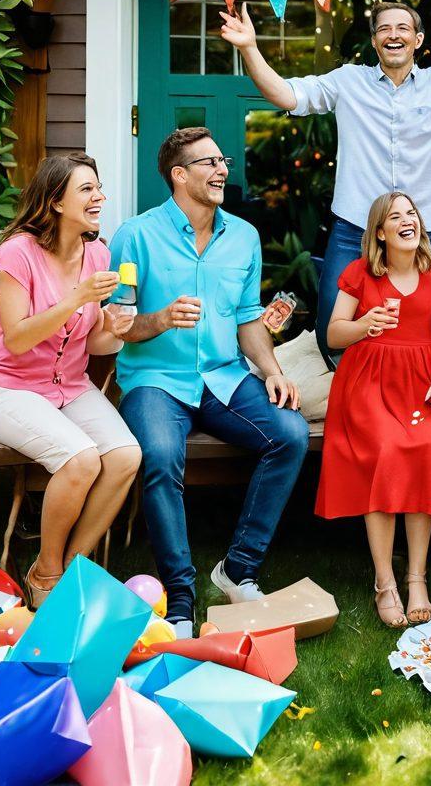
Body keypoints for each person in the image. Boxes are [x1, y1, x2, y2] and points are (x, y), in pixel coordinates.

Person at [221, 0, 431, 362]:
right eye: (384, 29)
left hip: (429, 230)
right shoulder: (347, 81)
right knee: (333, 330)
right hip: (355, 227)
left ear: (418, 40)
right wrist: (249, 47)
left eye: (403, 28)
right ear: (374, 41)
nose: (394, 35)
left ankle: (416, 395)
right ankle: (352, 394)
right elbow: (287, 94)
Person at [110, 127, 309, 638]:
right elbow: (120, 325)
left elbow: (247, 318)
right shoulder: (135, 236)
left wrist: (273, 371)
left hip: (224, 377)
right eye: (209, 163)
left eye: (223, 161)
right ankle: (179, 596)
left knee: (290, 435)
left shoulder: (243, 236)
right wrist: (160, 319)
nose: (223, 169)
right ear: (179, 175)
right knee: (159, 457)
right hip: (155, 379)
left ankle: (238, 569)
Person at [0, 154, 141, 608]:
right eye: (86, 190)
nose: (99, 198)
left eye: (99, 188)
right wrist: (77, 297)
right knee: (80, 460)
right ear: (55, 201)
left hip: (68, 384)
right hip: (8, 386)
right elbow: (16, 338)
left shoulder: (98, 253)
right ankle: (46, 575)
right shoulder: (17, 253)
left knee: (126, 455)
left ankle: (71, 569)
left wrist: (114, 329)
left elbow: (91, 343)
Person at [315, 190, 431, 628]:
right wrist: (364, 326)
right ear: (380, 233)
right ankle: (385, 581)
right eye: (396, 216)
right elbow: (333, 335)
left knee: (423, 448)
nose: (408, 220)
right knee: (385, 451)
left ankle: (416, 578)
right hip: (369, 383)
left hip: (424, 383)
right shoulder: (359, 273)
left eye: (412, 213)